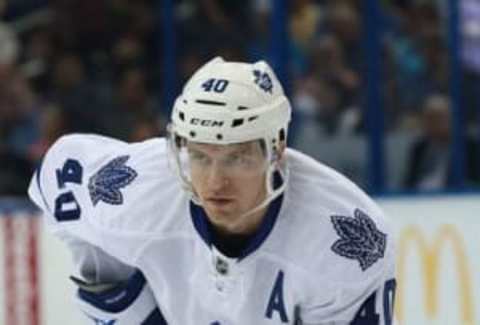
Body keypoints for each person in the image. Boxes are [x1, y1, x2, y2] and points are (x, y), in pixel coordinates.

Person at [28, 57, 396, 324]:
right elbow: (56, 170)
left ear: (277, 150)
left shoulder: (347, 240)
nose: (215, 182)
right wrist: (112, 288)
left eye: (237, 157)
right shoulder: (134, 192)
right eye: (201, 156)